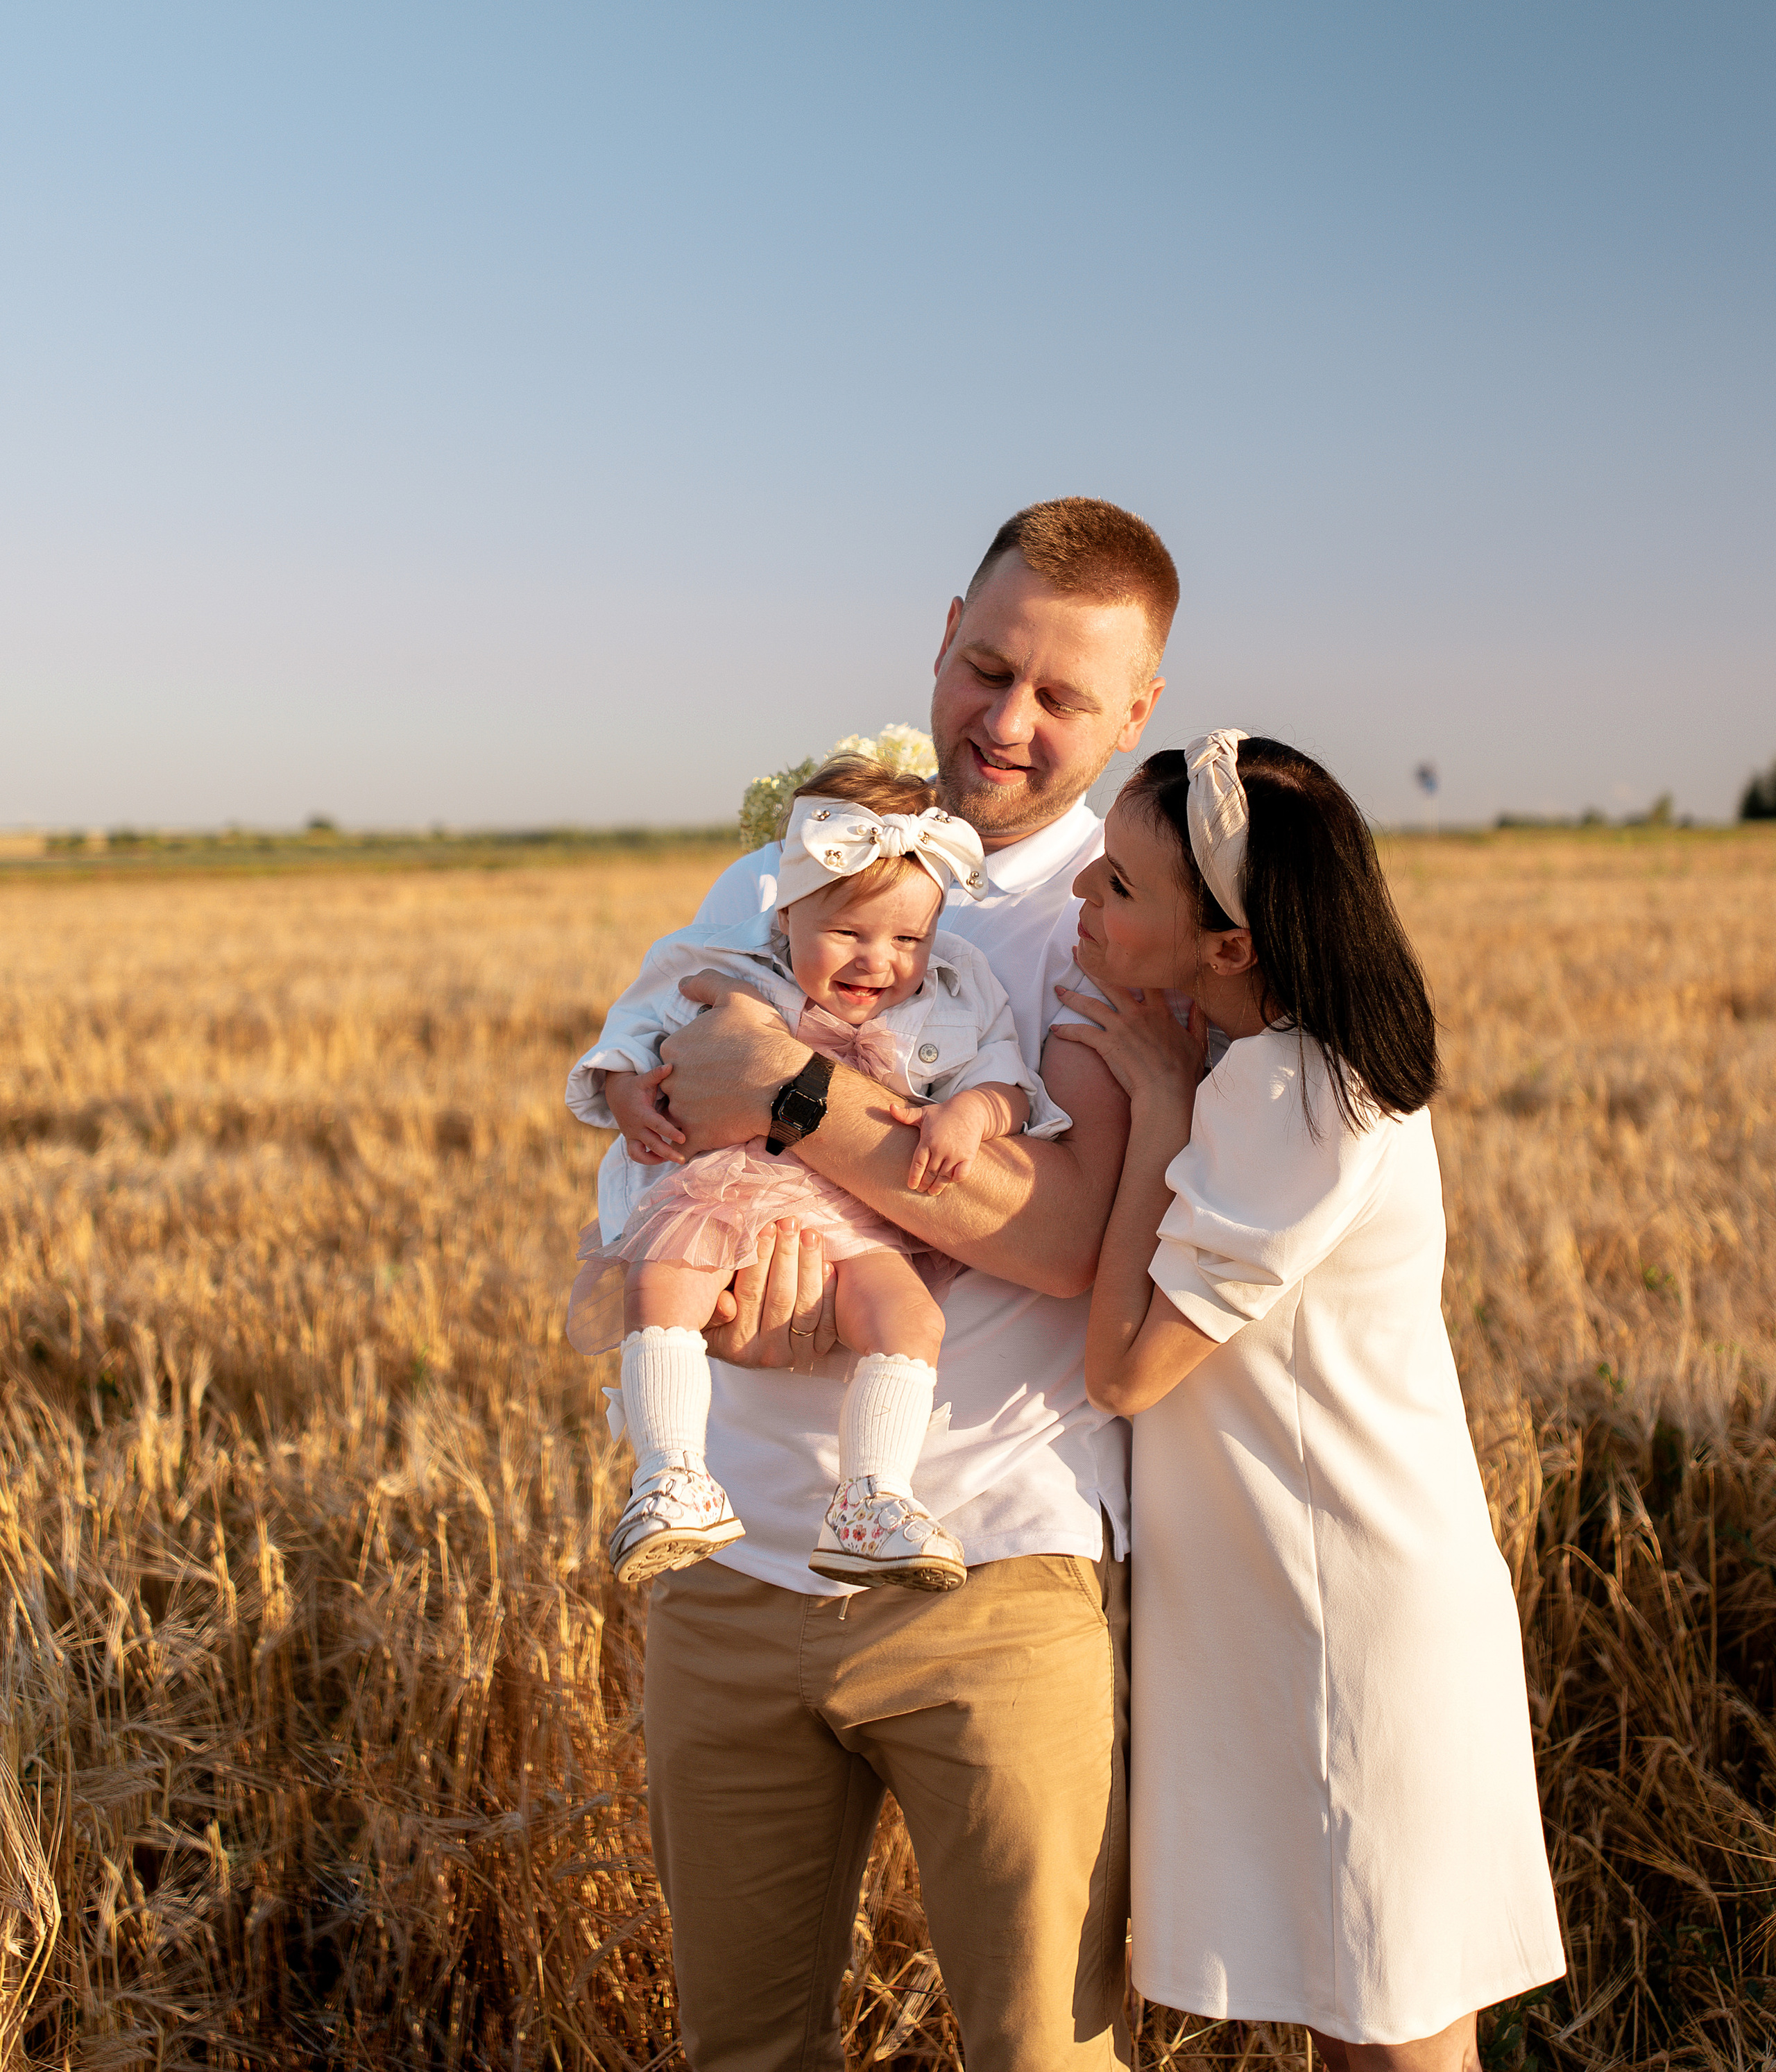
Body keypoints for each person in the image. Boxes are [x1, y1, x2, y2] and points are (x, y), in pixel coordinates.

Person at [599, 497, 1177, 2072]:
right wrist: (721, 1265)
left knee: (1043, 2053)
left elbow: (1067, 1230)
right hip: (731, 1566)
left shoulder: (1112, 914)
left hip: (997, 1572)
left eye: (1061, 696)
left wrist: (789, 1094)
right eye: (986, 666)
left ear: (1136, 711)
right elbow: (646, 1124)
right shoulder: (773, 872)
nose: (1006, 720)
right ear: (940, 633)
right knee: (741, 2050)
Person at [1053, 733, 1565, 2072]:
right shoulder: (1300, 1061)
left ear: (1229, 945)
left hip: (1343, 1612)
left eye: (1119, 884)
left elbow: (1123, 1368)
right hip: (1335, 1587)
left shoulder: (1287, 1094)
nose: (1083, 897)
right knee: (1368, 2012)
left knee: (1393, 2029)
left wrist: (1157, 1113)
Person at [565, 756, 1067, 1595]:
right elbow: (632, 1035)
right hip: (731, 1185)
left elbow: (1007, 1079)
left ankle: (872, 1499)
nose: (880, 961)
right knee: (664, 1282)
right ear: (787, 913)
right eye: (849, 934)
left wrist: (973, 1114)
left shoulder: (960, 985)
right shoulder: (718, 963)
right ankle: (672, 1476)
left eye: (908, 940)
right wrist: (626, 1093)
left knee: (910, 1320)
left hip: (863, 1204)